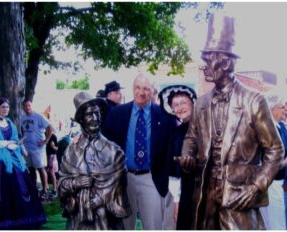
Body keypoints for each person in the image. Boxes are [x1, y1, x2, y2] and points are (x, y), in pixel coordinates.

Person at [176, 13, 284, 230]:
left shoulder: (254, 100)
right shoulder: (202, 103)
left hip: (238, 196)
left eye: (209, 58)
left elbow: (275, 150)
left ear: (225, 62)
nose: (205, 64)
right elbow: (191, 137)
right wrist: (187, 155)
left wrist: (256, 187)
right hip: (204, 196)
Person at [102, 73, 176, 230]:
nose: (141, 92)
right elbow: (102, 140)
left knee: (153, 226)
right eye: (138, 88)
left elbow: (175, 143)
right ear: (132, 89)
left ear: (152, 91)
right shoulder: (117, 113)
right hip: (123, 178)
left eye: (146, 89)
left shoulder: (165, 116)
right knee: (124, 225)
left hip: (152, 178)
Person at [58, 92, 131, 230]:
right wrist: (74, 183)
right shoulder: (70, 151)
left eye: (98, 114)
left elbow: (119, 182)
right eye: (89, 114)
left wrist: (100, 198)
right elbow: (61, 183)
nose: (95, 118)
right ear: (81, 119)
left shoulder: (114, 151)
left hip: (106, 221)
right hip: (78, 220)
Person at [0, 98, 46, 229]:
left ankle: (23, 219)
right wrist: (5, 144)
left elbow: (14, 138)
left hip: (13, 158)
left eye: (7, 107)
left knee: (21, 185)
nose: (5, 109)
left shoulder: (10, 123)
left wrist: (14, 145)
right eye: (3, 107)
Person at [158, 84, 197, 230]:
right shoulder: (176, 133)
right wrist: (177, 200)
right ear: (172, 109)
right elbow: (175, 172)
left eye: (183, 103)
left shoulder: (205, 126)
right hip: (186, 191)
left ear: (193, 103)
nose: (180, 108)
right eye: (176, 104)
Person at [259, 92, 287, 229]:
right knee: (276, 224)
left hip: (278, 183)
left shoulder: (279, 127)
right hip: (271, 184)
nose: (284, 109)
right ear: (272, 108)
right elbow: (270, 163)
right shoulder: (266, 129)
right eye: (281, 106)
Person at [21, 99, 53, 200]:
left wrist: (46, 140)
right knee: (30, 169)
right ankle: (33, 188)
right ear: (23, 107)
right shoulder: (22, 117)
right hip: (27, 147)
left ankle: (45, 190)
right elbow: (23, 129)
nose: (27, 108)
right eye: (25, 106)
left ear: (31, 106)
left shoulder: (38, 116)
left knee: (40, 168)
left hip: (38, 147)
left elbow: (50, 126)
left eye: (29, 106)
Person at [46, 131, 59, 199]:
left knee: (51, 172)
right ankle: (47, 188)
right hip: (45, 155)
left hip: (51, 156)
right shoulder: (42, 134)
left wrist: (53, 146)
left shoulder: (53, 136)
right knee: (47, 171)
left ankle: (54, 190)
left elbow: (57, 148)